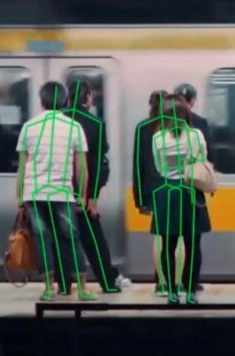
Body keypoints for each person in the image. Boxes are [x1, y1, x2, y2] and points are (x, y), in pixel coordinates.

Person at [16, 82, 93, 302]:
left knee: (42, 239)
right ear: (65, 101)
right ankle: (84, 288)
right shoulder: (74, 127)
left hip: (34, 193)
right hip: (62, 193)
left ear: (42, 101)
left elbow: (22, 167)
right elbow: (82, 169)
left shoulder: (29, 127)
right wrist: (83, 196)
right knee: (71, 238)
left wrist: (20, 198)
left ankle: (49, 288)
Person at [67, 79, 129, 292]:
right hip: (82, 194)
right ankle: (108, 281)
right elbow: (99, 166)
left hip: (57, 192)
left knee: (60, 240)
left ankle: (63, 284)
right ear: (88, 98)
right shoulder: (95, 124)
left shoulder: (60, 120)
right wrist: (92, 197)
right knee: (94, 240)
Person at [151, 96, 208, 304]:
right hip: (190, 192)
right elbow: (202, 161)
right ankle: (191, 291)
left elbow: (158, 167)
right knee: (193, 245)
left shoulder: (157, 138)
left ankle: (172, 293)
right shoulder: (196, 135)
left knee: (168, 244)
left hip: (168, 193)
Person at [174, 83, 212, 296]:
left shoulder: (163, 124)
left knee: (169, 239)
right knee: (193, 240)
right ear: (193, 101)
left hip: (170, 187)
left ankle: (169, 283)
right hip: (193, 189)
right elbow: (208, 156)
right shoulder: (201, 125)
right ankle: (191, 282)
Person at [134, 91, 167, 295]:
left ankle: (160, 281)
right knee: (176, 237)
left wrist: (139, 199)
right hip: (174, 187)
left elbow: (138, 165)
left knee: (159, 237)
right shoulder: (177, 127)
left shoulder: (143, 128)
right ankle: (177, 279)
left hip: (152, 190)